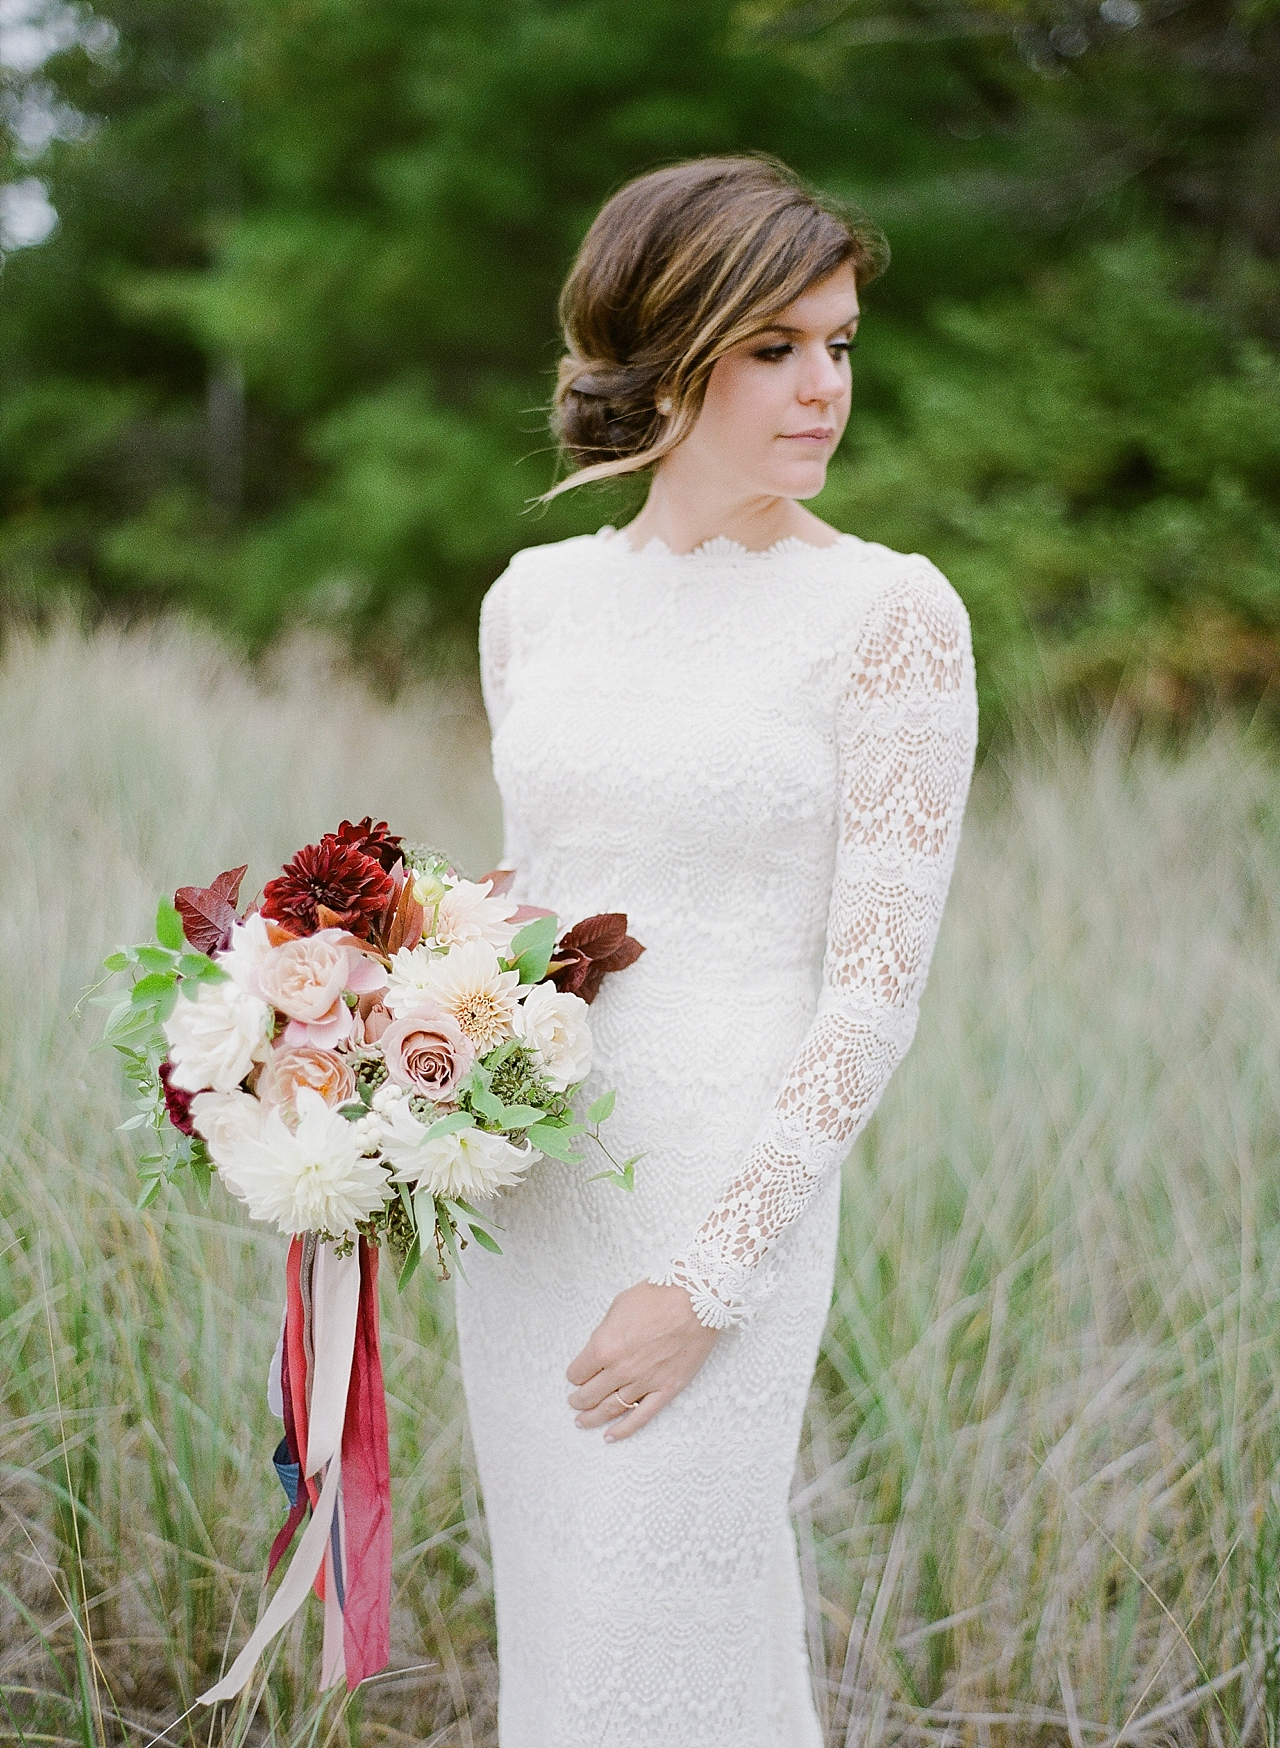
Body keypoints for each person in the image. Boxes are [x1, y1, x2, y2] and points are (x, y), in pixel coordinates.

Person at [455, 155, 980, 1747]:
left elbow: (873, 997)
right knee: (564, 1645)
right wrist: (379, 1051)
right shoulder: (532, 605)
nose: (824, 389)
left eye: (839, 346)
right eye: (775, 348)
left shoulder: (890, 616)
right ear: (664, 355)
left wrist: (709, 1275)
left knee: (658, 1626)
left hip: (720, 1204)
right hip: (532, 1198)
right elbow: (530, 915)